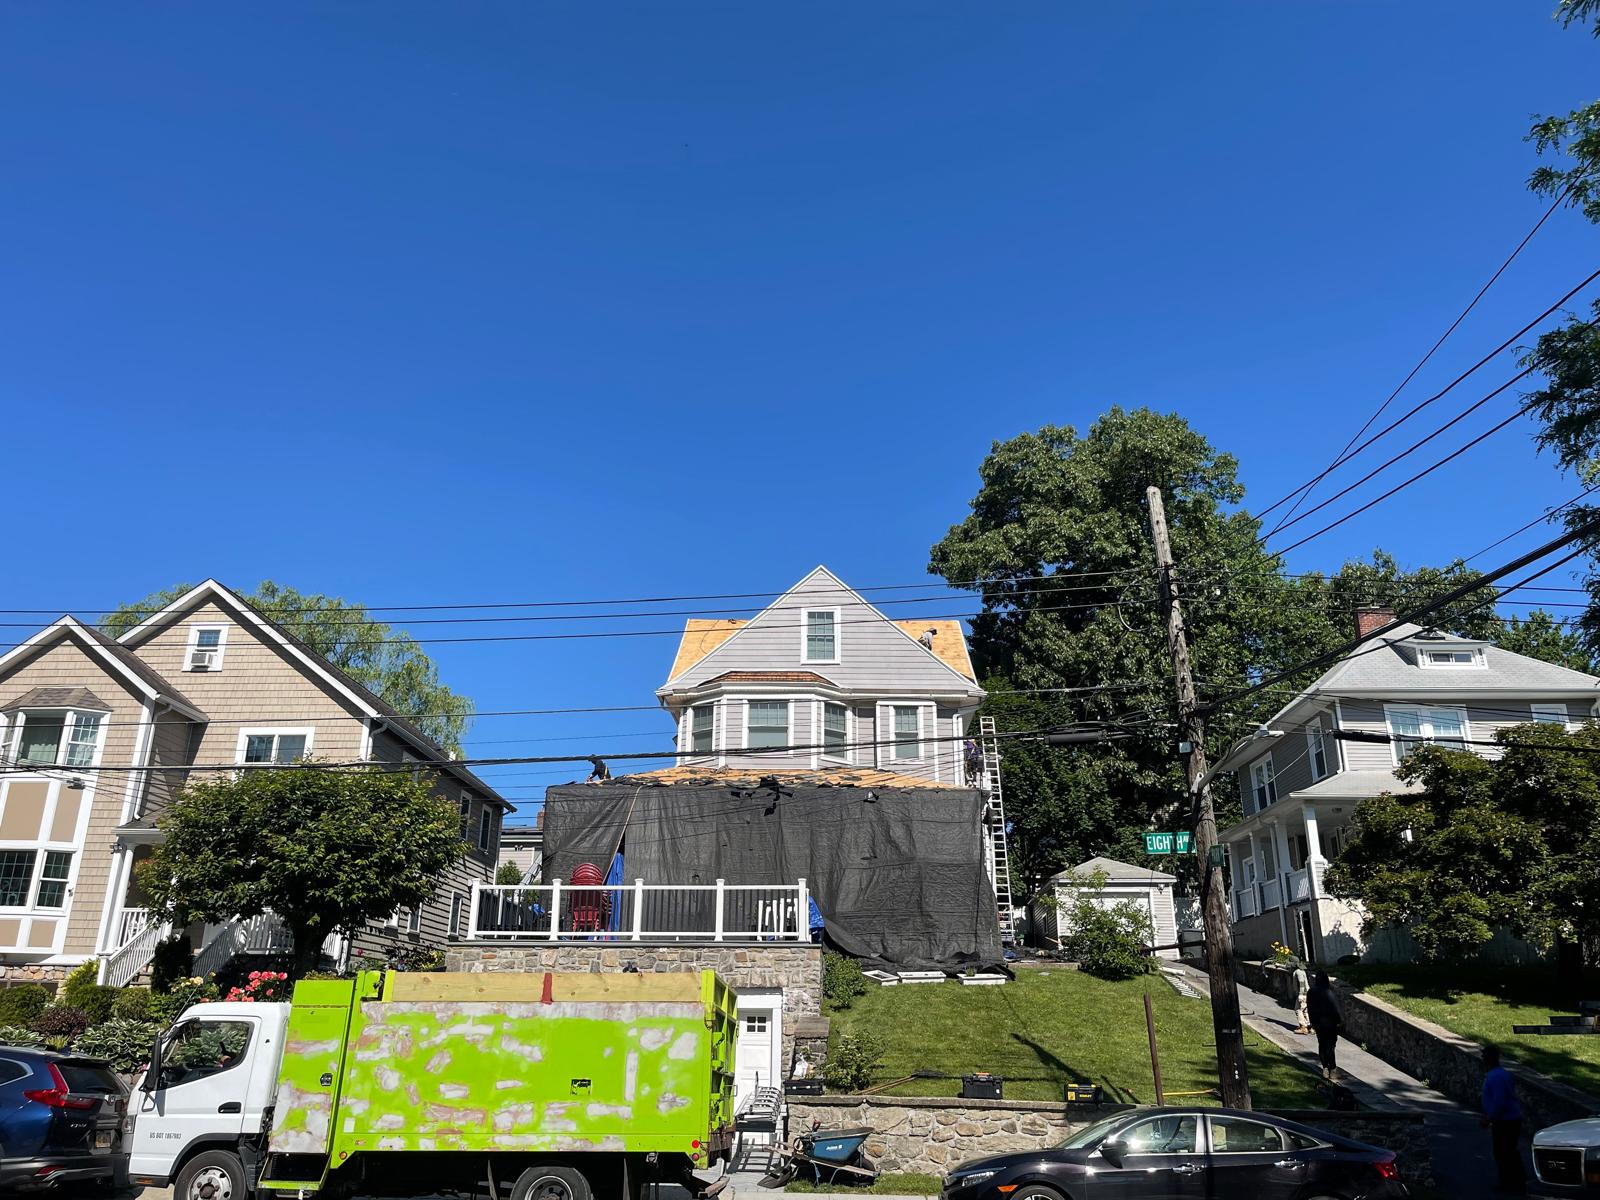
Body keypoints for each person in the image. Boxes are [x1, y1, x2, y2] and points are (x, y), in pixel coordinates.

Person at [1481, 1045, 1526, 1194]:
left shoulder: (1494, 1076)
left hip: (1504, 1120)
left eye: (1483, 1056)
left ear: (1487, 1059)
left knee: (1502, 1152)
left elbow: (1499, 1100)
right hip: (1512, 1118)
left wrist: (1489, 1117)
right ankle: (1520, 1179)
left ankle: (1508, 1183)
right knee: (1510, 1150)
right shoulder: (1504, 1074)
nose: (1482, 1059)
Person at [1305, 970, 1343, 1081]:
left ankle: (1325, 1068)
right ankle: (1333, 1069)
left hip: (1318, 1023)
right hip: (1330, 1024)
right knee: (1330, 1046)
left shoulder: (1311, 992)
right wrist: (1340, 1020)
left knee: (1322, 1044)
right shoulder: (1328, 992)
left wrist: (1312, 1022)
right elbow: (1336, 1009)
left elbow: (1310, 1008)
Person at [1292, 959, 1311, 1035]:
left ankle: (1303, 1027)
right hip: (1306, 994)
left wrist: (1301, 994)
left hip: (1303, 994)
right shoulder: (1301, 971)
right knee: (1305, 1010)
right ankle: (1309, 1026)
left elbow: (1301, 983)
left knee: (1298, 1009)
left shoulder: (1298, 972)